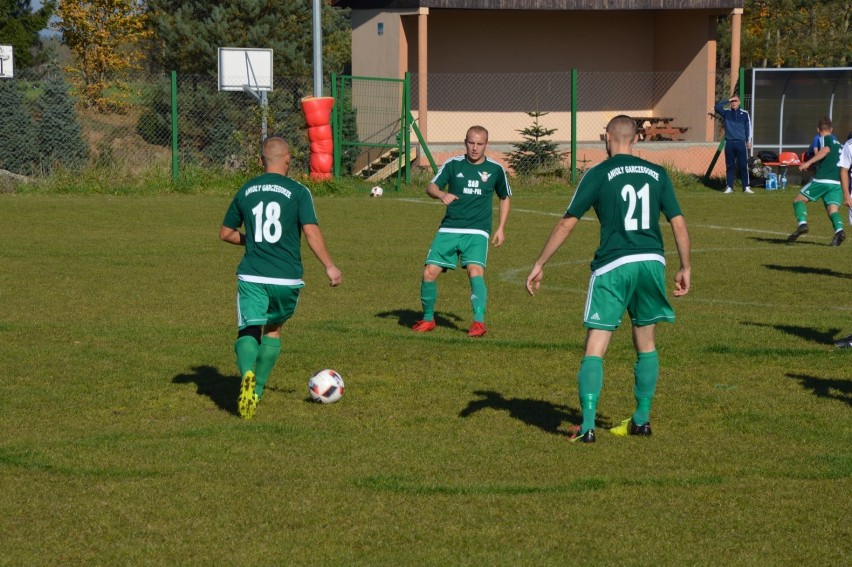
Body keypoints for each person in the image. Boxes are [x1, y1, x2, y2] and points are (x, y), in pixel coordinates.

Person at [525, 115, 691, 443]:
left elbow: (566, 223)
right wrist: (685, 266)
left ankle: (587, 426)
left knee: (596, 345)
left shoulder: (599, 173)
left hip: (614, 265)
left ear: (606, 137)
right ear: (637, 139)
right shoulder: (658, 174)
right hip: (651, 262)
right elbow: (679, 223)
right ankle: (641, 419)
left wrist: (540, 262)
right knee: (646, 342)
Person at [220, 136, 342, 419]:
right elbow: (311, 232)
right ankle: (257, 390)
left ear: (262, 160)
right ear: (288, 159)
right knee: (272, 331)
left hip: (252, 274)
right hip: (286, 279)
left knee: (248, 330)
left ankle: (247, 373)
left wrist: (252, 242)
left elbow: (225, 234)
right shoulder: (299, 191)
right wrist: (329, 266)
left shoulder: (246, 189)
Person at [411, 125, 511, 337]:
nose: (474, 148)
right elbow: (431, 187)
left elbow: (504, 197)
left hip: (477, 231)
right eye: (471, 143)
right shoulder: (453, 164)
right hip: (449, 228)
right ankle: (428, 319)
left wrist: (501, 228)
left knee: (475, 271)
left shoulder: (495, 169)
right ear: (465, 142)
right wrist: (441, 195)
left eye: (479, 144)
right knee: (429, 273)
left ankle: (478, 322)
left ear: (486, 145)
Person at [788, 117, 846, 246]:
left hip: (822, 179)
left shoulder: (825, 138)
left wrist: (807, 163)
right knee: (833, 209)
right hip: (836, 183)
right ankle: (839, 230)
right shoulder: (839, 144)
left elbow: (825, 150)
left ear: (818, 129)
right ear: (831, 129)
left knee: (799, 200)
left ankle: (802, 224)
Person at [714, 94, 753, 193]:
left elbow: (748, 127)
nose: (734, 103)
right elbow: (717, 107)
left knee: (743, 165)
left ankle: (746, 187)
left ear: (739, 102)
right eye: (732, 101)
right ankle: (729, 187)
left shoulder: (744, 114)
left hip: (741, 143)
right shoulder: (726, 113)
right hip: (730, 143)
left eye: (736, 101)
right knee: (730, 165)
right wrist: (729, 99)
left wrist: (749, 141)